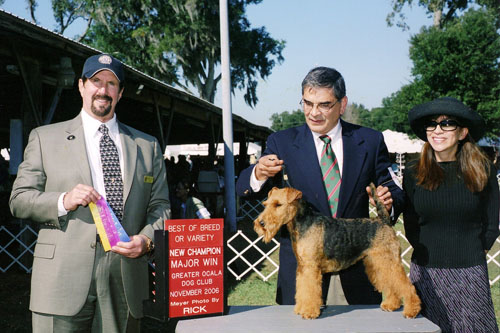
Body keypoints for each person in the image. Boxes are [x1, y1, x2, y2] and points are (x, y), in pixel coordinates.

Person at [9, 54, 170, 332]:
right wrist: (63, 200)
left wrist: (145, 241)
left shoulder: (148, 145)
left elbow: (162, 207)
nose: (103, 90)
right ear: (82, 86)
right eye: (96, 81)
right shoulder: (44, 138)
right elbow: (19, 199)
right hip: (61, 275)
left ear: (120, 93)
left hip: (125, 275)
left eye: (111, 84)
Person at [236, 66, 405, 306]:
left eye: (324, 105)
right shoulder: (281, 142)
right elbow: (243, 189)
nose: (314, 113)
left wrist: (389, 199)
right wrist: (258, 173)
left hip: (355, 267)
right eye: (307, 103)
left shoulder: (370, 140)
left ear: (342, 104)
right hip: (302, 271)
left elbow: (392, 185)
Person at [404, 97, 499, 332]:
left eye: (447, 123)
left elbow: (491, 223)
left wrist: (472, 252)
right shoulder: (412, 173)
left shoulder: (484, 170)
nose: (437, 130)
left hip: (470, 272)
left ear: (463, 132)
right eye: (432, 124)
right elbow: (411, 224)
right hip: (426, 274)